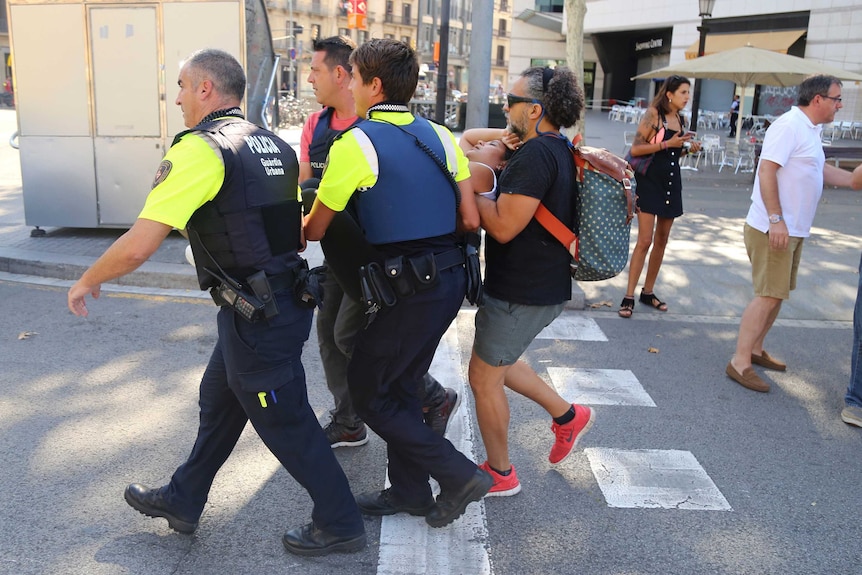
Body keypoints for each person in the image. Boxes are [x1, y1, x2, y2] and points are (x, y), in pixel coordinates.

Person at [66, 49, 365, 556]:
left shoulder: (201, 150)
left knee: (285, 419)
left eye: (183, 86)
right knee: (220, 400)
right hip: (275, 300)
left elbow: (140, 243)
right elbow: (286, 232)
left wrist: (87, 278)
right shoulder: (271, 145)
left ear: (206, 89)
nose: (177, 97)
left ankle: (340, 521)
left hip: (259, 314)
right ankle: (184, 498)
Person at [304, 38, 491, 528]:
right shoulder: (442, 135)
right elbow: (470, 219)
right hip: (450, 281)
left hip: (406, 288)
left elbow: (316, 230)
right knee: (404, 384)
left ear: (374, 85)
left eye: (356, 75)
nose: (351, 83)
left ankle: (458, 474)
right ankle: (409, 492)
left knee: (368, 392)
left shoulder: (357, 143)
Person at [299, 35, 459, 447]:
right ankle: (350, 418)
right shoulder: (319, 125)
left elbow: (314, 225)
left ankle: (424, 408)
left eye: (317, 70)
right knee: (331, 335)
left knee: (358, 343)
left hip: (384, 262)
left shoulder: (362, 138)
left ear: (366, 83)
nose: (311, 78)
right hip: (351, 254)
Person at [467, 66, 593, 497]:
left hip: (523, 290)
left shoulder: (537, 156)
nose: (504, 106)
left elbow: (502, 227)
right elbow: (468, 140)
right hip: (535, 285)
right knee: (499, 364)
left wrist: (473, 192)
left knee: (483, 378)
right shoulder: (550, 144)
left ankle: (501, 473)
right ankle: (567, 416)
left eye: (511, 101)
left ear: (536, 109)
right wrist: (509, 131)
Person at [727, 75, 860, 393]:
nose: (839, 106)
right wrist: (776, 220)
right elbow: (767, 170)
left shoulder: (810, 129)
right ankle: (740, 362)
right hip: (773, 227)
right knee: (768, 294)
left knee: (778, 293)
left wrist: (853, 180)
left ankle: (756, 350)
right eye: (836, 99)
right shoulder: (789, 126)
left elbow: (819, 169)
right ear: (817, 100)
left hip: (793, 228)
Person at [618, 75, 701, 318]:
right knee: (645, 240)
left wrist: (687, 148)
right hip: (649, 183)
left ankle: (648, 291)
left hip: (671, 182)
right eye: (684, 92)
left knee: (662, 240)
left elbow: (674, 155)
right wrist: (668, 144)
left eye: (689, 93)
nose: (687, 97)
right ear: (669, 94)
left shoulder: (681, 119)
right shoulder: (654, 114)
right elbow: (636, 149)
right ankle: (628, 295)